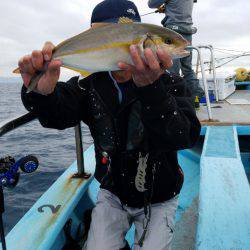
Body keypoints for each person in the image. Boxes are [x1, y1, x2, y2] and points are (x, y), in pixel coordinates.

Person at [19, 0, 201, 249]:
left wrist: (151, 89)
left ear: (138, 40)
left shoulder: (170, 84)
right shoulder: (89, 85)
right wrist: (41, 94)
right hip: (112, 192)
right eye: (102, 36)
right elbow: (57, 116)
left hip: (160, 195)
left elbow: (184, 136)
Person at [148, 0, 205, 98]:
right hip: (187, 30)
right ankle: (198, 96)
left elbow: (151, 4)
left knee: (172, 69)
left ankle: (176, 99)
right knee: (187, 68)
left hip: (173, 32)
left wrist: (164, 7)